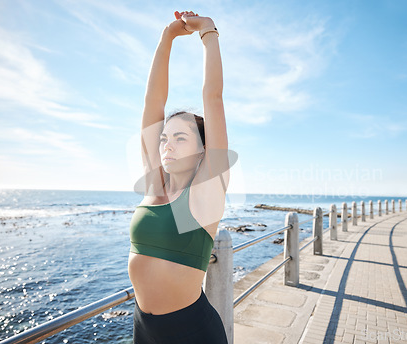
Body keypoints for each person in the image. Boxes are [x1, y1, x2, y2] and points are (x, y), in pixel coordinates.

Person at [128, 10, 229, 344]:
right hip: (144, 329)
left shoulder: (206, 192)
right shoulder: (154, 183)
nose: (167, 146)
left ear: (204, 149)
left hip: (192, 333)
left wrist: (207, 31)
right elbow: (152, 101)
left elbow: (213, 97)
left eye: (181, 138)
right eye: (164, 138)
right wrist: (166, 38)